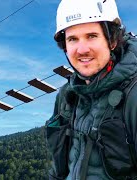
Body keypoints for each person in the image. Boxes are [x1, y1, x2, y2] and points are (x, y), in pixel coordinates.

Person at [46, 0, 137, 179]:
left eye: (91, 36)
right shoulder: (67, 97)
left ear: (112, 40)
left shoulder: (133, 96)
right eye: (72, 39)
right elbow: (59, 171)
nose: (81, 49)